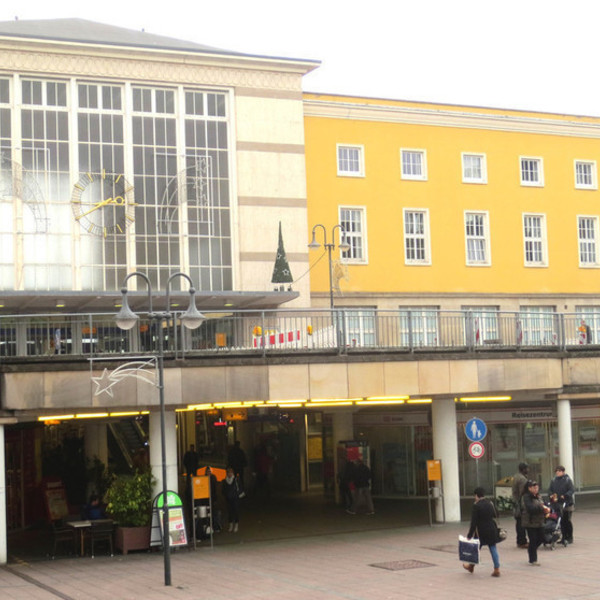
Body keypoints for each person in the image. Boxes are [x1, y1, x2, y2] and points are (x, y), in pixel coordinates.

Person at [463, 487, 501, 577]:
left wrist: (469, 535)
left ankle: (471, 566)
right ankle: (497, 569)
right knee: (493, 548)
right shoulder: (490, 503)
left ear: (476, 495)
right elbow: (497, 514)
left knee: (475, 549)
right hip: (491, 529)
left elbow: (473, 522)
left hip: (480, 531)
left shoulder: (476, 506)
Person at [521, 480, 551, 566]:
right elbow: (531, 509)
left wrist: (547, 508)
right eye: (534, 487)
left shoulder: (538, 496)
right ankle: (533, 559)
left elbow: (544, 504)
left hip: (540, 521)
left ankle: (531, 549)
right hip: (530, 522)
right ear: (529, 488)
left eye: (537, 487)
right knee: (533, 539)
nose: (536, 489)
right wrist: (542, 509)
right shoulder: (526, 497)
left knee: (542, 538)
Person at [548, 465, 575, 544]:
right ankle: (563, 537)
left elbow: (571, 490)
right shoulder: (553, 480)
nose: (557, 472)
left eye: (559, 471)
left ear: (563, 472)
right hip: (557, 503)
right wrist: (551, 495)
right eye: (556, 471)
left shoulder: (567, 480)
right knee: (561, 521)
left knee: (567, 520)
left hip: (567, 504)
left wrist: (565, 495)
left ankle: (569, 537)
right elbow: (550, 490)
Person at [511, 462, 529, 548]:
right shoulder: (522, 479)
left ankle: (520, 540)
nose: (528, 470)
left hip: (516, 502)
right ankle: (522, 541)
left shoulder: (516, 476)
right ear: (523, 469)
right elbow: (524, 492)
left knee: (518, 522)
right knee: (522, 523)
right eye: (527, 468)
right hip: (521, 503)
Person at [222, 466, 243, 532]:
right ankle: (231, 525)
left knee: (236, 511)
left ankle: (236, 525)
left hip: (235, 497)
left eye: (230, 472)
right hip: (228, 498)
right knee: (230, 512)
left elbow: (240, 487)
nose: (229, 474)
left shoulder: (236, 480)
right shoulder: (225, 481)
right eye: (228, 473)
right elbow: (223, 490)